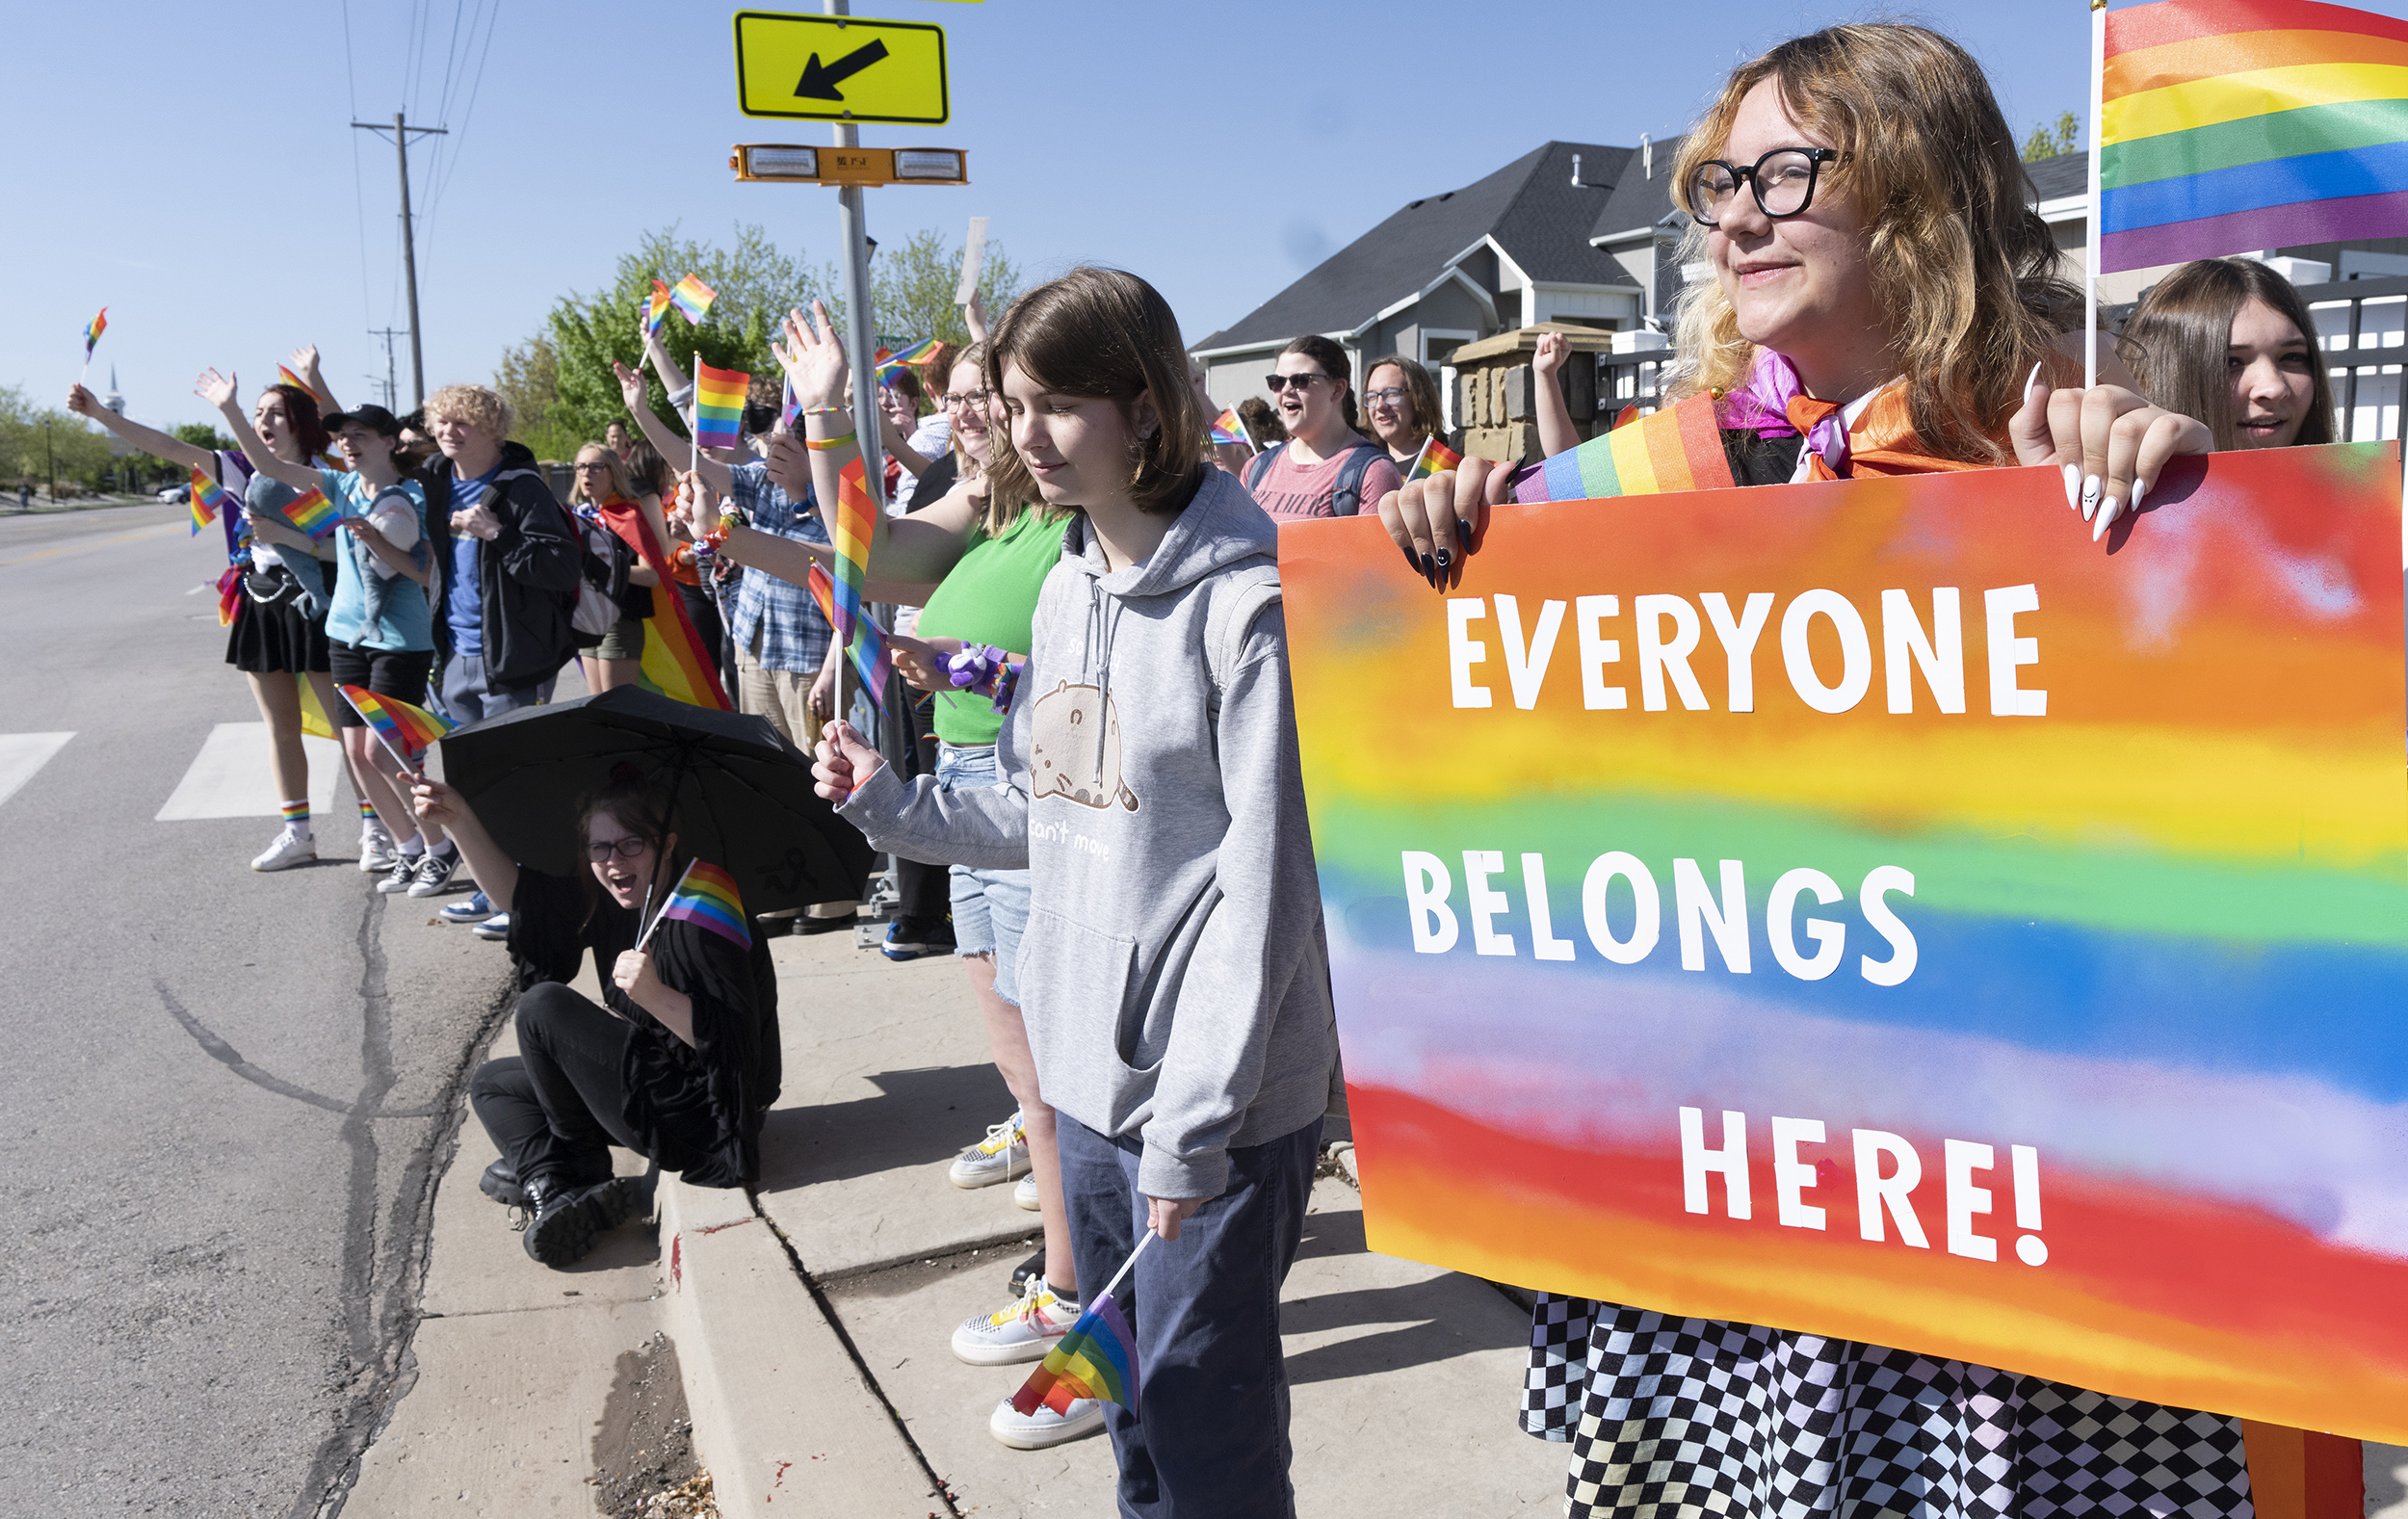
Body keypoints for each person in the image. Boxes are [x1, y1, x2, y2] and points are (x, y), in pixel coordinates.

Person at [1378, 25, 2236, 1519]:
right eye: (1719, 179)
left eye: (1790, 169)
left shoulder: (2068, 481)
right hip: (1727, 1225)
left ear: (1923, 189)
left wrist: (2189, 517)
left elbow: (2228, 842)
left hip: (2000, 1239)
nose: (1736, 215)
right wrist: (1439, 547)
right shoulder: (1615, 501)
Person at [808, 268, 1337, 1506]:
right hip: (1085, 1091)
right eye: (1008, 403)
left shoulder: (1250, 611)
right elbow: (1054, 816)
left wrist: (1192, 1127)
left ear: (1145, 408)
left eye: (1055, 406)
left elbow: (1269, 894)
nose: (1021, 435)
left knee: (1211, 1428)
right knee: (1130, 1418)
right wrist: (888, 800)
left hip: (1216, 1112)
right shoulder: (1063, 586)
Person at [685, 335, 1086, 1447]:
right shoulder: (986, 512)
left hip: (1030, 796)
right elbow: (870, 550)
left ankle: (1081, 1295)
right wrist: (819, 421)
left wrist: (971, 667)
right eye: (955, 400)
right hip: (958, 789)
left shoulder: (1079, 521)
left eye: (987, 400)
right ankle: (1070, 1276)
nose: (966, 417)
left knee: (1063, 1083)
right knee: (1026, 1073)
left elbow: (1092, 681)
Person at [409, 765, 779, 1267]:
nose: (613, 861)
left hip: (708, 1114)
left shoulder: (700, 915)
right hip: (664, 1079)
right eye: (599, 847)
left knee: (544, 1005)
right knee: (494, 1084)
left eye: (631, 844)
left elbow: (738, 1050)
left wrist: (655, 996)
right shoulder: (620, 897)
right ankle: (549, 1185)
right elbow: (525, 902)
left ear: (666, 844)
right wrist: (458, 820)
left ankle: (574, 1171)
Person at [66, 371, 333, 871]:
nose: (263, 421)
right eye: (257, 413)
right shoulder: (237, 470)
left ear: (301, 424)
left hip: (316, 603)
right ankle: (298, 833)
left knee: (348, 728)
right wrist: (102, 415)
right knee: (281, 728)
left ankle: (379, 829)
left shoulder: (325, 472)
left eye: (275, 413)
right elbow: (168, 447)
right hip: (260, 599)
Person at [212, 394, 440, 892]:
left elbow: (420, 573)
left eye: (359, 435)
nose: (347, 444)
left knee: (386, 752)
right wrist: (230, 410)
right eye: (342, 437)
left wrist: (374, 539)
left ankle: (439, 847)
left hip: (398, 638)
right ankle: (407, 848)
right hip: (345, 634)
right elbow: (269, 464)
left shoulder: (410, 496)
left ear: (388, 442)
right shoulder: (337, 485)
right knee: (358, 755)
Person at [422, 382, 583, 930]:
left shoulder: (521, 490)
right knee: (469, 787)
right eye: (441, 422)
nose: (448, 431)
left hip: (513, 661)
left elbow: (562, 569)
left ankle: (528, 899)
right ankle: (494, 891)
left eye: (461, 422)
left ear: (492, 430)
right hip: (458, 656)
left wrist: (498, 534)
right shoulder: (440, 482)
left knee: (517, 785)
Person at [2118, 256, 2337, 450]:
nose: (2274, 389)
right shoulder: (2099, 491)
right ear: (2165, 374)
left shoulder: (2357, 491)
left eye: (2292, 357)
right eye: (2231, 362)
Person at [1240, 334, 1401, 521]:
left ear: (1337, 389)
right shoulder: (1256, 467)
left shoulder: (1374, 473)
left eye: (1300, 380)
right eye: (1276, 382)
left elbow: (1376, 551)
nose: (1285, 390)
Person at [565, 444, 668, 694]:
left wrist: (603, 569)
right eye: (581, 466)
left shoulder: (628, 516)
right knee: (597, 704)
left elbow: (652, 576)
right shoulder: (576, 517)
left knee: (619, 705)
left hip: (619, 620)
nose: (586, 473)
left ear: (614, 473)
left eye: (596, 466)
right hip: (586, 618)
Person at [1361, 353, 1453, 472]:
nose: (1379, 405)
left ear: (1418, 398)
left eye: (1390, 393)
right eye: (1372, 396)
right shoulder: (1366, 466)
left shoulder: (1442, 467)